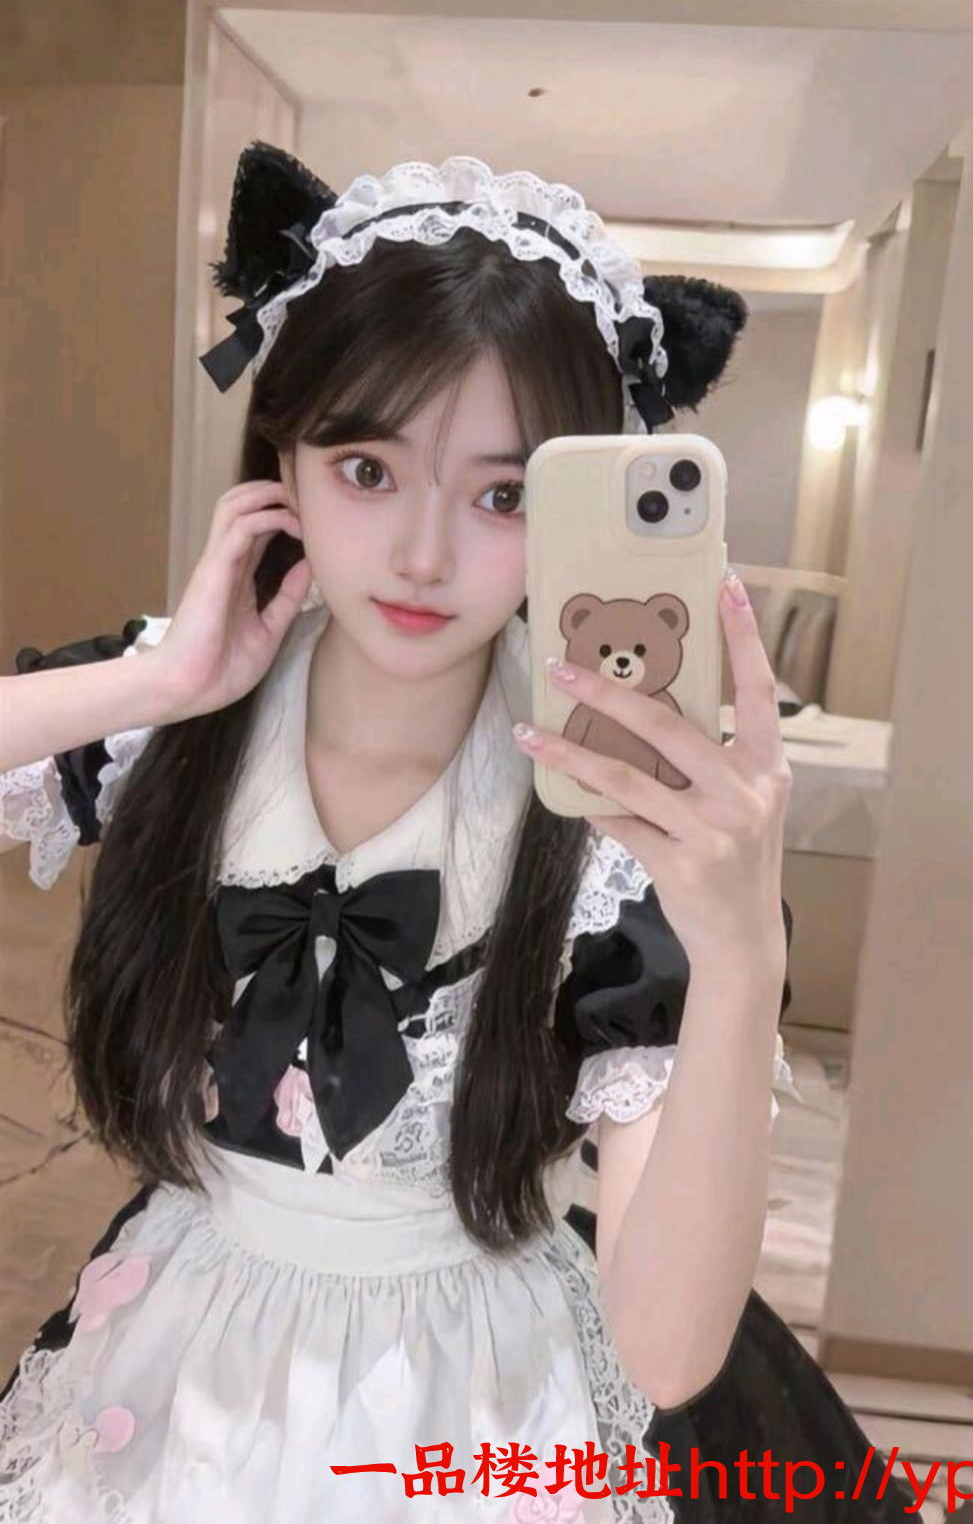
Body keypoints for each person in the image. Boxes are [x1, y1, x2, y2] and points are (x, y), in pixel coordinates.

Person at [0, 144, 919, 1524]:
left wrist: (739, 961)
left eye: (503, 495)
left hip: (473, 1398)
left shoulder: (617, 833)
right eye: (367, 468)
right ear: (285, 463)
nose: (424, 556)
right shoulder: (175, 719)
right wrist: (157, 684)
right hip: (184, 1354)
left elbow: (667, 1354)